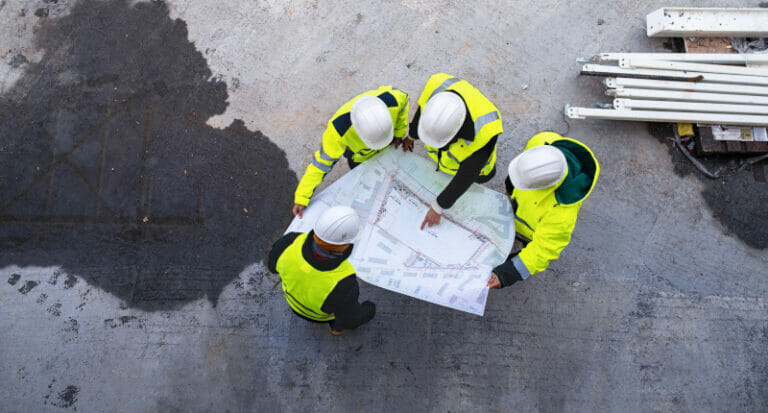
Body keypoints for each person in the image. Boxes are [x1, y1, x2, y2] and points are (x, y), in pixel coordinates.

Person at [488, 132, 599, 289]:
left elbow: (543, 249)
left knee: (529, 251)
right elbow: (518, 172)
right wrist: (509, 191)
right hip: (518, 210)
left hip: (530, 234)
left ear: (545, 186)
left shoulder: (561, 215)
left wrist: (507, 274)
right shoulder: (540, 142)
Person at [292, 87, 412, 218]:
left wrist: (399, 134)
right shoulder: (338, 132)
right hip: (359, 158)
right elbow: (319, 166)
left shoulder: (393, 100)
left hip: (387, 142)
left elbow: (403, 106)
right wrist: (302, 197)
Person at [408, 73, 503, 230]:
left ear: (458, 132)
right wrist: (411, 135)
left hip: (479, 171)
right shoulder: (436, 85)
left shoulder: (486, 130)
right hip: (448, 159)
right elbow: (422, 111)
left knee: (482, 177)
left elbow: (467, 175)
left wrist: (438, 207)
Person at [268, 206, 375, 335]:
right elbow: (349, 320)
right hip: (319, 317)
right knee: (341, 318)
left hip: (292, 302)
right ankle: (335, 329)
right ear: (345, 245)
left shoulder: (289, 242)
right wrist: (369, 310)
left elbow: (272, 267)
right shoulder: (344, 283)